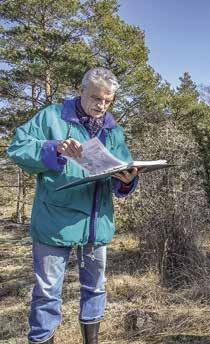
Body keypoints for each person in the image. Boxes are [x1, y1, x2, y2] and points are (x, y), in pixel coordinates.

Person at [7, 68, 139, 344]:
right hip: (55, 222)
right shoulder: (52, 117)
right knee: (47, 293)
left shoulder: (113, 130)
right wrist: (54, 148)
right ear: (81, 90)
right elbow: (17, 147)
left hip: (96, 224)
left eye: (107, 101)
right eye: (95, 98)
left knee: (95, 289)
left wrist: (127, 180)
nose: (101, 106)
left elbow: (123, 167)